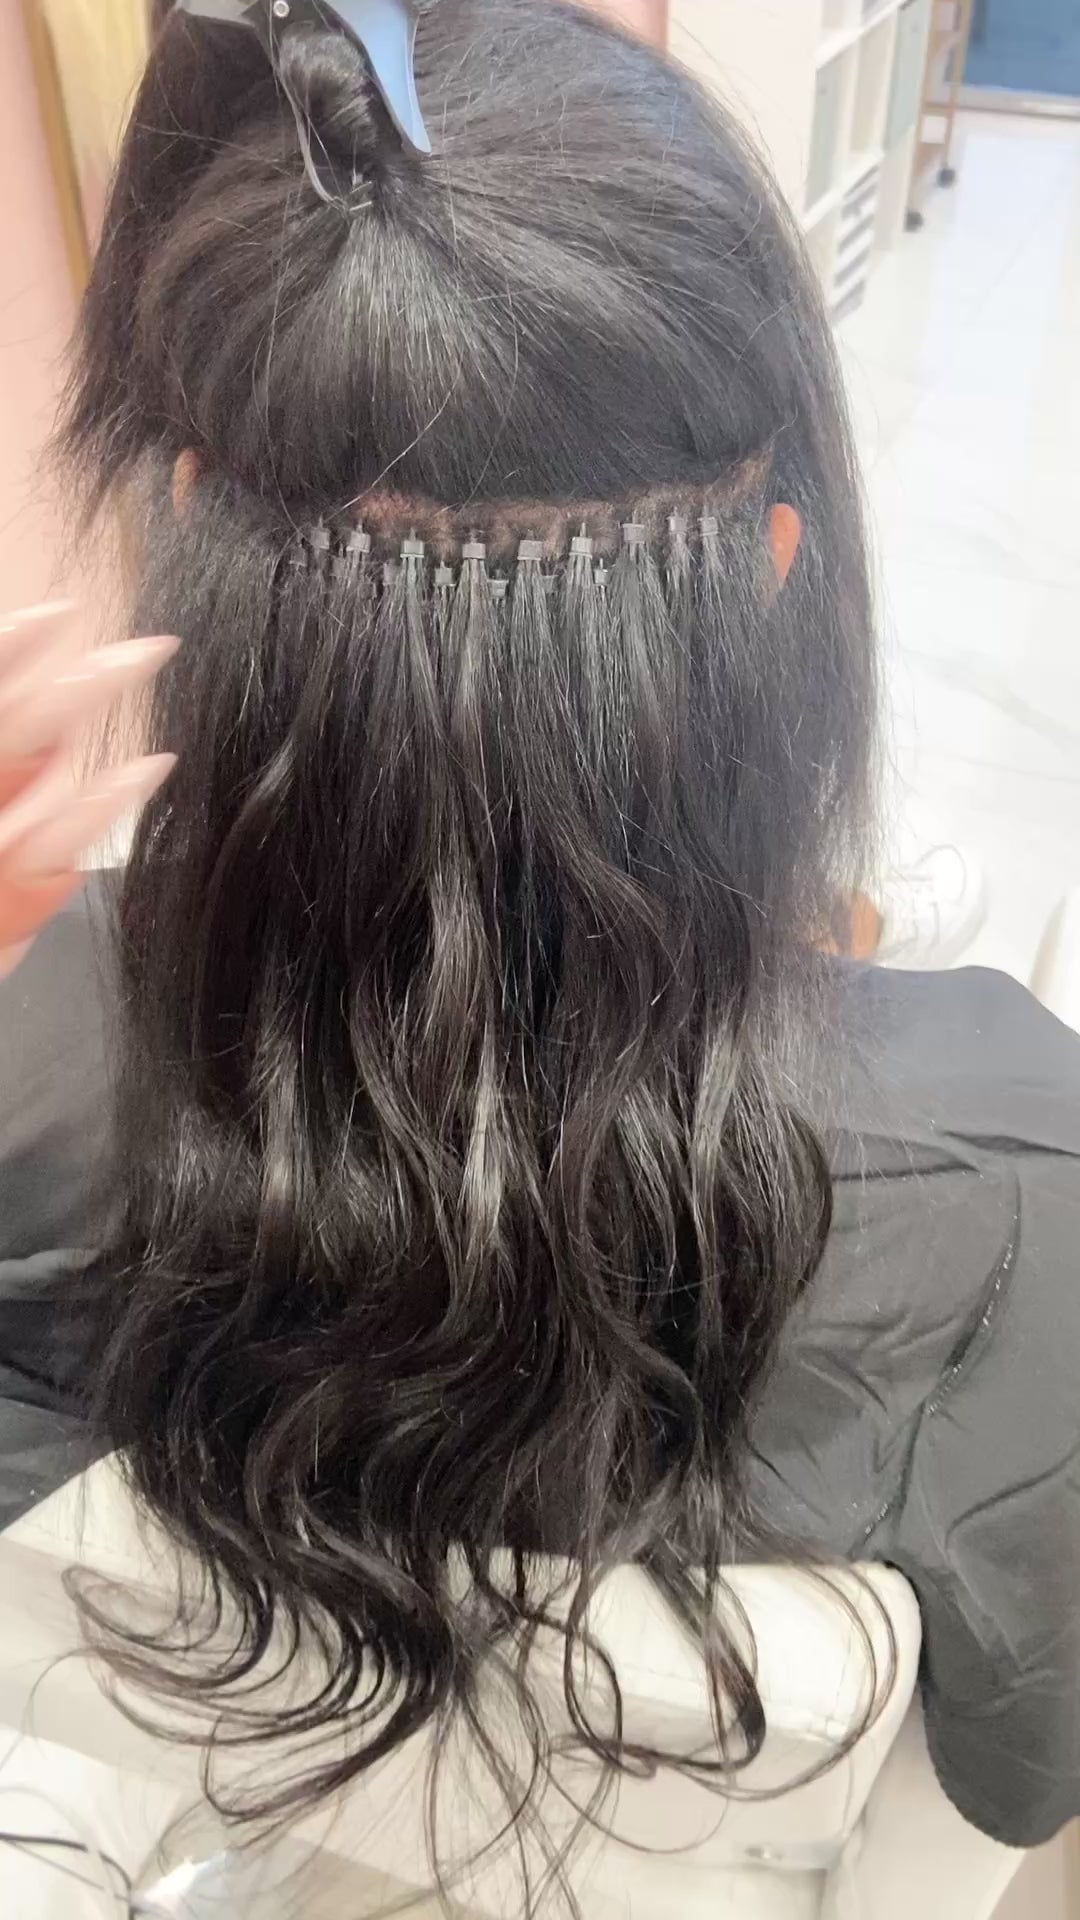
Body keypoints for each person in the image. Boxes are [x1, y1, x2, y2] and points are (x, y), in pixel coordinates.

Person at [2, 0, 1080, 1889]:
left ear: (185, 530)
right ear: (771, 571)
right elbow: (1016, 1762)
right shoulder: (1017, 1168)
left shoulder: (32, 1040)